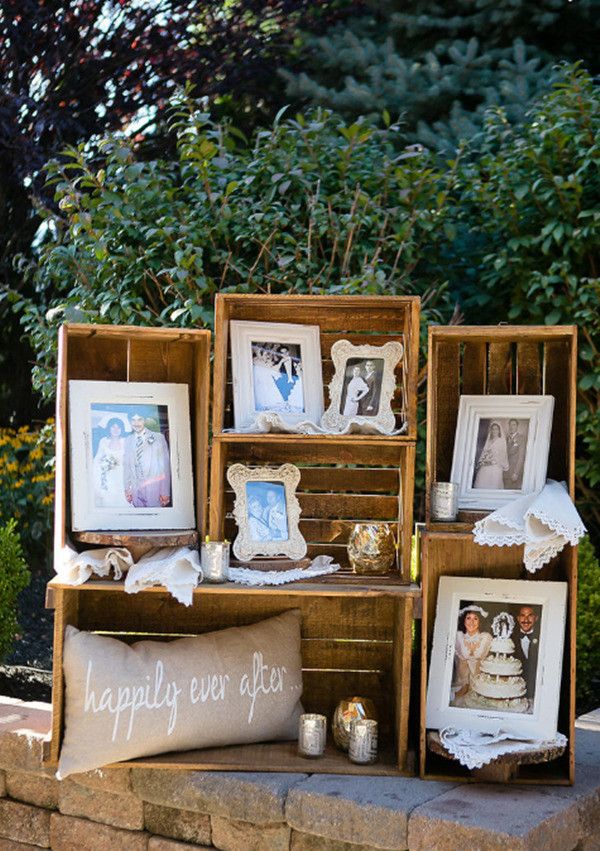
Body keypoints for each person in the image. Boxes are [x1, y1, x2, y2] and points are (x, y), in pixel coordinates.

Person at [123, 411, 171, 508]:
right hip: (136, 490)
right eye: (133, 420)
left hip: (154, 488)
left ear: (144, 421)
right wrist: (127, 488)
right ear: (129, 421)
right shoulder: (128, 440)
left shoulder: (158, 437)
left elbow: (165, 466)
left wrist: (165, 491)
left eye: (140, 419)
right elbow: (127, 465)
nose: (137, 423)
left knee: (155, 519)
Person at [450, 605, 492, 702]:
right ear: (464, 621)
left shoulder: (486, 638)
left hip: (482, 686)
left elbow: (489, 662)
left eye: (475, 618)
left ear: (480, 621)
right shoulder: (458, 637)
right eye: (468, 618)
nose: (471, 622)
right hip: (462, 685)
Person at [92, 417, 129, 508]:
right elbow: (98, 458)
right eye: (113, 427)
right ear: (109, 428)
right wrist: (101, 467)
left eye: (118, 427)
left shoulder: (126, 441)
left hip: (122, 475)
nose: (116, 430)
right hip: (108, 475)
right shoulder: (104, 441)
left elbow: (130, 459)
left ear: (122, 429)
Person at [512, 605, 540, 701]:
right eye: (522, 615)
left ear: (536, 618)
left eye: (530, 615)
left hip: (537, 692)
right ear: (518, 618)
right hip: (515, 694)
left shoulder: (543, 636)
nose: (526, 619)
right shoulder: (510, 639)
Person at [473, 421, 509, 489]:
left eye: (496, 429)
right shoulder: (489, 440)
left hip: (496, 465)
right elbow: (484, 452)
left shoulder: (501, 441)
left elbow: (503, 454)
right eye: (493, 429)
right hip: (486, 464)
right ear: (491, 431)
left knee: (494, 483)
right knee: (482, 480)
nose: (494, 431)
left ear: (499, 431)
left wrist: (494, 459)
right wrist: (483, 461)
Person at [504, 418, 526, 489]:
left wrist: (516, 472)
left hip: (514, 470)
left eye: (513, 425)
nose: (511, 427)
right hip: (505, 470)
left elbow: (521, 457)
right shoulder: (506, 438)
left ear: (517, 426)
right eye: (510, 425)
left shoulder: (521, 438)